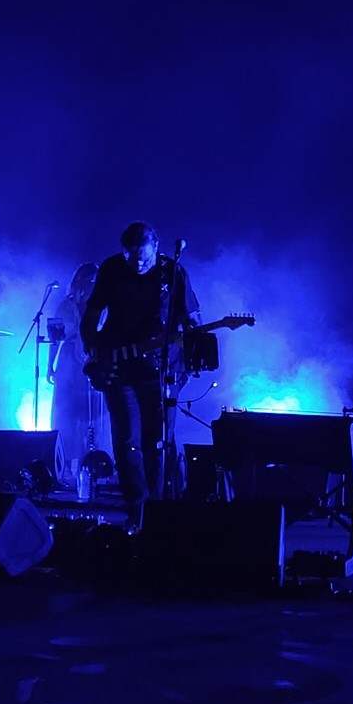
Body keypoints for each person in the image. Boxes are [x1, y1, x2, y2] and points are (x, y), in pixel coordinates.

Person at [80, 222, 201, 523]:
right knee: (127, 441)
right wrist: (94, 354)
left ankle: (157, 512)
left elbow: (191, 317)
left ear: (155, 247)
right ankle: (137, 510)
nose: (137, 263)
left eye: (143, 257)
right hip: (120, 366)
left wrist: (190, 341)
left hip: (160, 369)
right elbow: (91, 317)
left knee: (157, 442)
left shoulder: (172, 272)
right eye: (130, 256)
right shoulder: (112, 268)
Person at [47, 262, 112, 490]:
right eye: (90, 279)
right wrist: (49, 365)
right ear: (80, 281)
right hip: (68, 360)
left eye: (96, 279)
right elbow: (55, 338)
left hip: (91, 359)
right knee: (66, 411)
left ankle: (89, 465)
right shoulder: (64, 306)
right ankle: (63, 466)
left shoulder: (102, 305)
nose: (94, 283)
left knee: (89, 413)